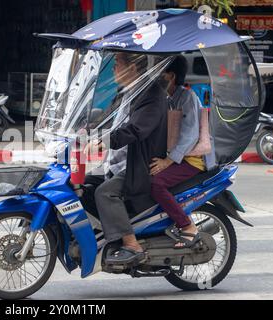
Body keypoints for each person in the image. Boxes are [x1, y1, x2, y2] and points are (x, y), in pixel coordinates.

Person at [83, 52, 168, 265]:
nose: (113, 69)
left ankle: (132, 245)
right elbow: (106, 120)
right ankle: (107, 235)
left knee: (105, 193)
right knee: (83, 185)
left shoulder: (151, 94)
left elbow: (137, 129)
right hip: (118, 161)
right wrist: (84, 132)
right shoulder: (126, 92)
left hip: (139, 164)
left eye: (117, 64)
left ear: (132, 68)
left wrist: (107, 140)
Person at [149, 55, 216, 248]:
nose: (155, 77)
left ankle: (187, 226)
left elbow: (189, 136)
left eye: (159, 72)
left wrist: (167, 162)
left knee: (157, 183)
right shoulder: (168, 98)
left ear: (170, 76)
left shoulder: (187, 97)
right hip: (177, 156)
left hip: (192, 160)